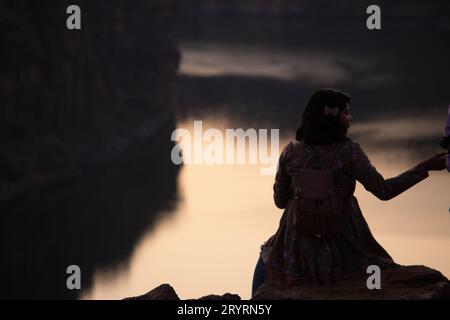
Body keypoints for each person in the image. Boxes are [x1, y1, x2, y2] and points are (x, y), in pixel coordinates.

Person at [252, 89, 448, 296]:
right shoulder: (349, 152)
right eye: (347, 113)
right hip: (344, 243)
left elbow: (280, 201)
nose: (351, 119)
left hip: (298, 247)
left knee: (267, 257)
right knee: (377, 272)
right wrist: (424, 167)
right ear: (335, 119)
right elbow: (384, 190)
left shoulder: (290, 151)